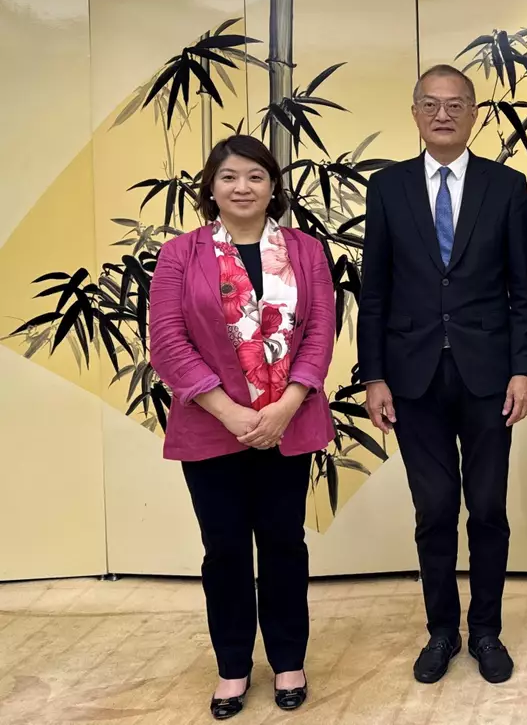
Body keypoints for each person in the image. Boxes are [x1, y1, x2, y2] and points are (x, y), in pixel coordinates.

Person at [358, 64, 527, 685]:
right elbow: (374, 291)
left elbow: (522, 289)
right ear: (414, 112)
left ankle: (486, 630)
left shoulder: (506, 186)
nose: (443, 114)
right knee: (434, 508)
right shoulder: (387, 188)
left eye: (456, 104)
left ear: (474, 114)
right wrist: (374, 377)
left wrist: (524, 369)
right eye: (431, 104)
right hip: (412, 377)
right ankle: (442, 630)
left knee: (486, 507)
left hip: (489, 376)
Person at [148, 135, 335, 720]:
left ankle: (288, 661)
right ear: (211, 187)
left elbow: (320, 333)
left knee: (283, 544)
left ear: (273, 186)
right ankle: (232, 665)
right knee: (224, 549)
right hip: (211, 428)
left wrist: (285, 407)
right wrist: (230, 412)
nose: (242, 187)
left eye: (255, 176)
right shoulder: (181, 254)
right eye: (229, 177)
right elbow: (168, 341)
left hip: (288, 424)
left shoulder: (305, 251)